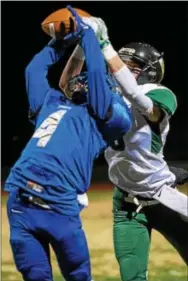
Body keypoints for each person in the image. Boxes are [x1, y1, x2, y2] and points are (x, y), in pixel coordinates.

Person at [4, 8, 132, 281]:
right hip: (20, 200)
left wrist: (89, 37)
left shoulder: (110, 116)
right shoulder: (50, 103)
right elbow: (35, 69)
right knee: (35, 275)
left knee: (78, 275)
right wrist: (59, 40)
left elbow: (97, 75)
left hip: (59, 204)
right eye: (79, 79)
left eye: (87, 82)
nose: (82, 81)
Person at [90, 18, 188, 281]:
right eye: (120, 64)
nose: (118, 70)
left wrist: (105, 45)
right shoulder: (106, 97)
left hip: (163, 199)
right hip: (126, 204)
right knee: (132, 277)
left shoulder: (159, 93)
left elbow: (137, 98)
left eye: (130, 67)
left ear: (149, 72)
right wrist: (80, 46)